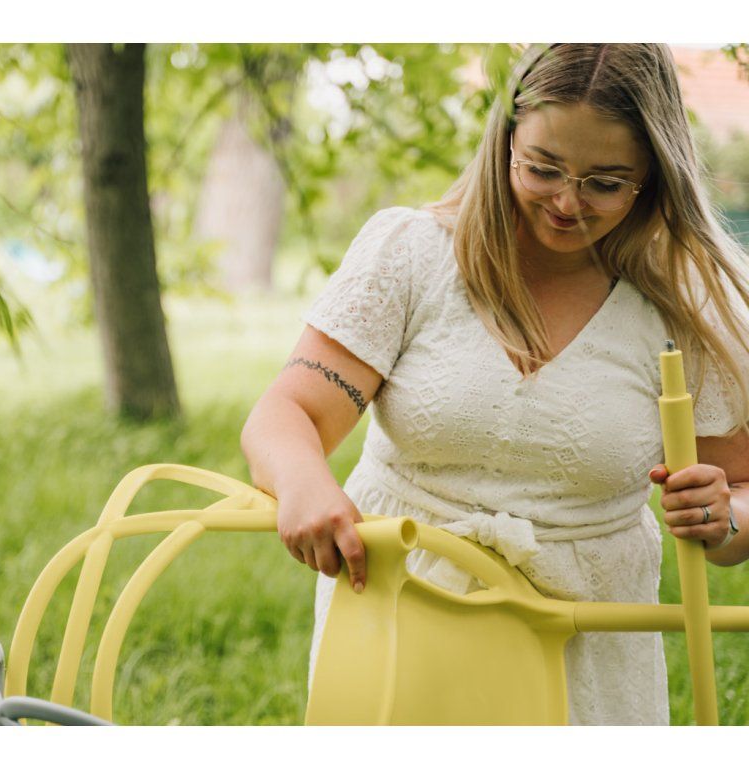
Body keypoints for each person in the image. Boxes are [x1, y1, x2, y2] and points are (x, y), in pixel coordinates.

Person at [240, 43, 749, 726]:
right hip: (399, 620)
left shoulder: (688, 304)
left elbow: (739, 491)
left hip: (583, 648)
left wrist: (724, 519)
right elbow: (288, 412)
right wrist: (303, 482)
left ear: (653, 178)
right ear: (505, 142)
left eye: (604, 183)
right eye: (543, 168)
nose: (566, 202)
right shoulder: (414, 254)